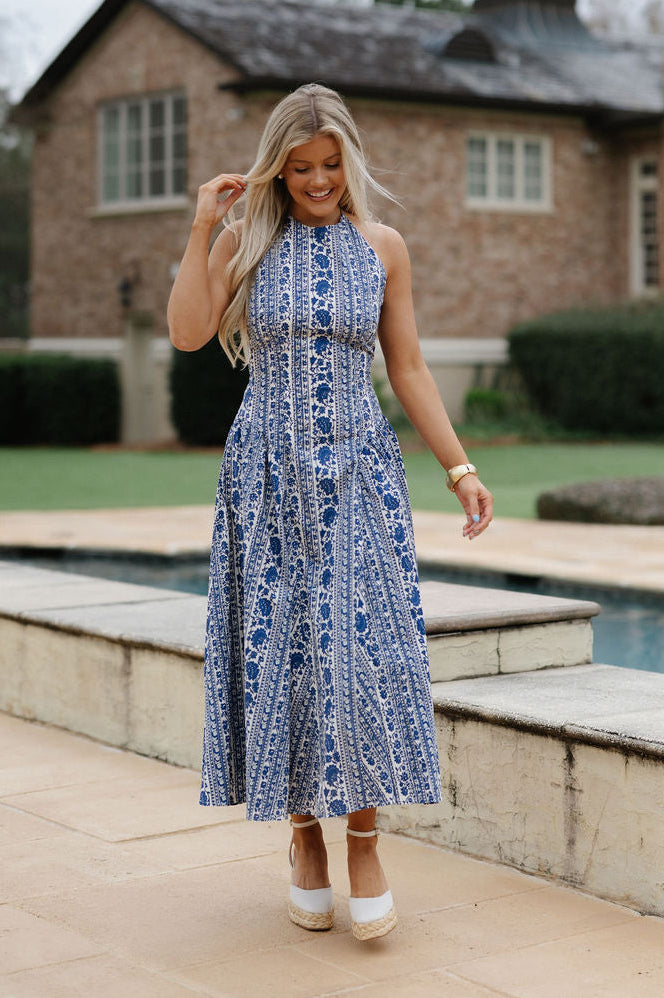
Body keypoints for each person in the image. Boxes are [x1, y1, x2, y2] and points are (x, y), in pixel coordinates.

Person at [167, 82, 493, 942]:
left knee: (366, 650)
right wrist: (204, 227)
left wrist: (458, 467)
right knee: (280, 648)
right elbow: (190, 333)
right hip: (264, 478)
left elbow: (411, 367)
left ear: (350, 159)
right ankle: (303, 838)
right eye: (300, 168)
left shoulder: (382, 247)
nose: (317, 182)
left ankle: (365, 839)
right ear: (277, 169)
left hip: (359, 472)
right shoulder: (247, 242)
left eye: (330, 165)